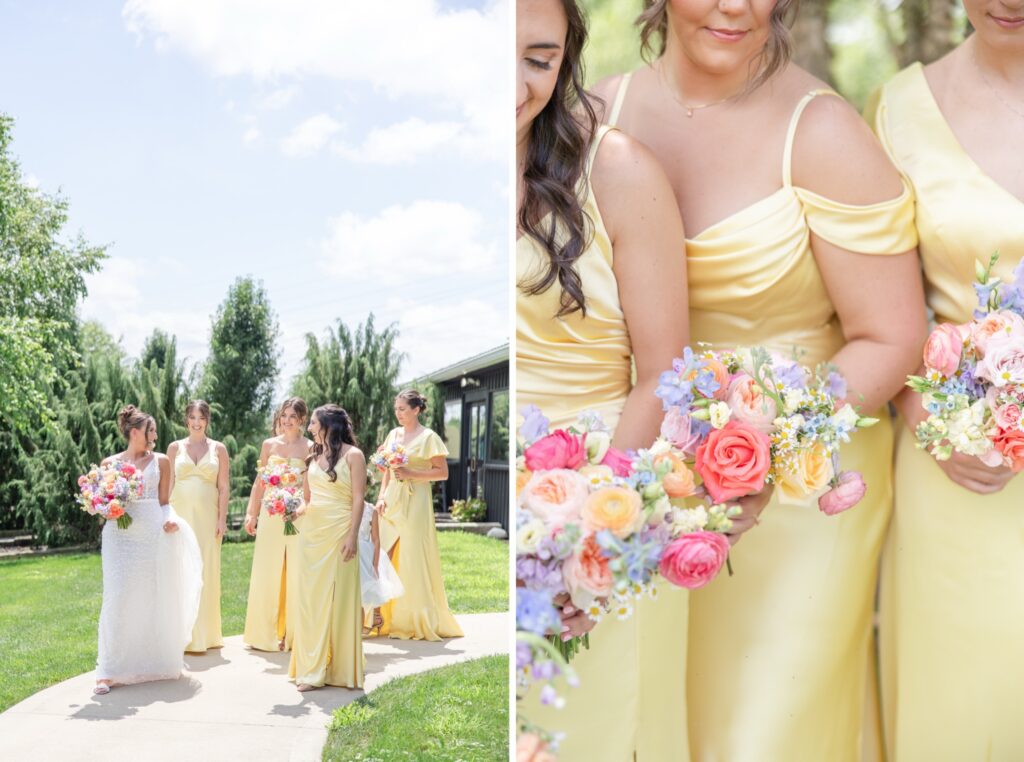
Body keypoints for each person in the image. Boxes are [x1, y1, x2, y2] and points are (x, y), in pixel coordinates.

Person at [592, 1, 927, 757]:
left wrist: (765, 450)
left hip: (802, 497)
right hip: (643, 485)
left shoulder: (824, 132)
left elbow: (891, 333)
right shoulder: (592, 116)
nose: (737, 5)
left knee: (760, 737)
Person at [516, 1, 692, 757]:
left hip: (593, 503)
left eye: (539, 58)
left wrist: (587, 535)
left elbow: (662, 372)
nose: (512, 84)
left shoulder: (616, 169)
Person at [868, 4, 1024, 756]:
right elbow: (873, 308)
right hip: (959, 463)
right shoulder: (898, 108)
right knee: (962, 711)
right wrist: (932, 423)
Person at [94, 405, 202, 694]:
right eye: (149, 430)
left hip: (152, 535)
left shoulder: (163, 461)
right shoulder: (110, 464)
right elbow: (104, 503)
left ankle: (153, 663)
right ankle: (108, 670)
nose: (155, 434)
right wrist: (104, 506)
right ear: (134, 432)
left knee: (151, 596)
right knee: (117, 597)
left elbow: (165, 501)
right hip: (120, 537)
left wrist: (170, 520)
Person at [288, 405, 365, 691]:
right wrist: (294, 511)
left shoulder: (354, 456)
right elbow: (308, 500)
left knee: (340, 599)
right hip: (312, 535)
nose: (309, 428)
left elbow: (358, 499)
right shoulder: (313, 457)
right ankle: (310, 667)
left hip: (340, 531)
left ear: (328, 426)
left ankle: (339, 668)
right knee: (310, 601)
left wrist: (353, 536)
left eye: (313, 424)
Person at [375, 390, 462, 641]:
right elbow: (388, 472)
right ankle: (379, 614)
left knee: (412, 555)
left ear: (416, 410)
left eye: (403, 409)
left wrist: (412, 473)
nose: (398, 413)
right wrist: (381, 497)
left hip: (416, 501)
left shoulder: (429, 437)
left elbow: (442, 473)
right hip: (392, 498)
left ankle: (411, 617)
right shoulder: (393, 434)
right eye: (396, 409)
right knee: (382, 553)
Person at [242, 397, 311, 652]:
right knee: (267, 569)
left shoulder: (310, 447)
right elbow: (259, 481)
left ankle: (294, 634)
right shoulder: (269, 445)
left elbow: (310, 485)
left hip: (297, 515)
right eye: (284, 415)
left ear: (302, 419)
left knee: (296, 571)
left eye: (292, 416)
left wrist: (297, 505)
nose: (287, 421)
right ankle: (264, 634)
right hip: (270, 513)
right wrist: (252, 513)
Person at [167, 399, 230, 653]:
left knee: (206, 571)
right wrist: (165, 515)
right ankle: (180, 635)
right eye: (192, 417)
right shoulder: (174, 448)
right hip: (180, 515)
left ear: (207, 420)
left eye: (201, 417)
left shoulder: (219, 449)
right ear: (186, 419)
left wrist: (222, 519)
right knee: (180, 569)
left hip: (208, 518)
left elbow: (224, 486)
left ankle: (206, 635)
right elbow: (168, 483)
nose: (196, 422)